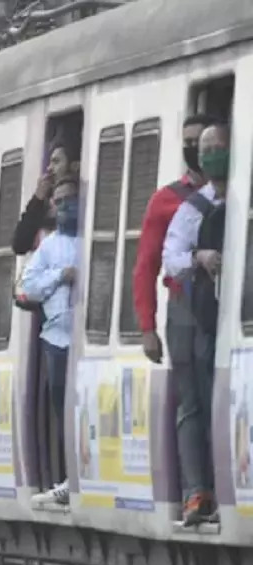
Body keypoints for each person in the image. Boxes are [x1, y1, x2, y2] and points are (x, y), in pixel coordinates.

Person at [163, 121, 229, 527]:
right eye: (206, 149)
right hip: (203, 319)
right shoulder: (194, 208)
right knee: (198, 403)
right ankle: (198, 492)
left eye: (220, 146)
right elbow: (171, 258)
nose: (212, 154)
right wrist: (199, 259)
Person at [133, 114, 214, 364]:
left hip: (224, 298)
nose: (191, 148)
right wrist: (147, 328)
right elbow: (146, 266)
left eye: (198, 141)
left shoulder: (232, 190)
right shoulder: (165, 200)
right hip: (183, 304)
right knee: (189, 394)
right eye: (186, 142)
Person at [21, 175, 81, 506]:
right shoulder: (50, 246)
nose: (66, 205)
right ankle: (65, 478)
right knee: (62, 410)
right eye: (59, 201)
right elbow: (27, 286)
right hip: (56, 339)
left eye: (71, 198)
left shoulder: (90, 240)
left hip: (84, 340)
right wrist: (59, 276)